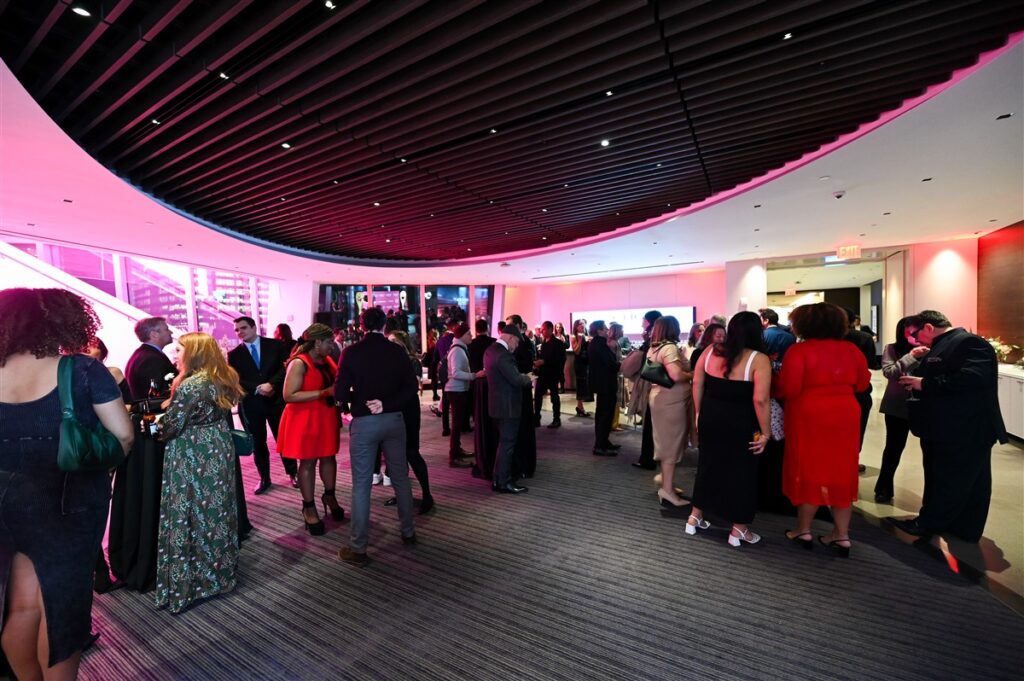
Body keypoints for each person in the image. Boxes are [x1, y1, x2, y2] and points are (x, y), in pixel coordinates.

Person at [0, 288, 133, 679]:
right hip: (68, 500)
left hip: (6, 499)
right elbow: (123, 436)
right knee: (64, 610)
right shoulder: (81, 369)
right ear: (60, 321)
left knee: (22, 605)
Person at [891, 311, 1007, 542]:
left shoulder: (969, 342)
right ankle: (960, 527)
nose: (914, 340)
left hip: (965, 427)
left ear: (928, 327)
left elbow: (972, 378)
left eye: (914, 334)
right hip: (950, 426)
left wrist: (925, 384)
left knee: (953, 479)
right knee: (963, 479)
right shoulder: (943, 345)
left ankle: (930, 523)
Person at [155, 333, 243, 613]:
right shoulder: (223, 376)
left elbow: (171, 426)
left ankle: (195, 582)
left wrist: (158, 422)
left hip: (192, 449)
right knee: (217, 508)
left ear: (194, 352)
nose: (177, 354)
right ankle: (219, 574)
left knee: (188, 509)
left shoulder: (191, 385)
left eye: (180, 349)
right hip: (218, 444)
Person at [778, 303, 870, 557]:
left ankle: (803, 530)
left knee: (809, 469)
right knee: (842, 470)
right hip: (845, 413)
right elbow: (862, 384)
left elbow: (789, 388)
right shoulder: (851, 349)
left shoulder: (799, 351)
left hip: (808, 414)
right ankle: (841, 535)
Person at [335, 308, 418, 566]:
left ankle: (359, 548)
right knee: (400, 478)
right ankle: (408, 532)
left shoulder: (351, 352)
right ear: (384, 325)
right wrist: (386, 403)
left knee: (362, 485)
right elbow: (411, 387)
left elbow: (340, 392)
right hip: (394, 419)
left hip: (364, 421)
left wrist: (358, 399)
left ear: (361, 326)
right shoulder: (397, 351)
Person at [688, 311, 771, 546]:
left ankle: (694, 517)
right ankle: (739, 529)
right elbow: (760, 400)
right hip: (741, 421)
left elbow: (697, 383)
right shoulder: (758, 359)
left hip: (710, 416)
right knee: (742, 472)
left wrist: (698, 413)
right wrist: (766, 433)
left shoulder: (711, 351)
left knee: (707, 465)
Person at [111, 317, 177, 592]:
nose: (170, 332)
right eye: (166, 329)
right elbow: (158, 401)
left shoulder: (143, 356)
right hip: (150, 435)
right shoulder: (152, 360)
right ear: (153, 333)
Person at [277, 324, 344, 536]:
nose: (332, 346)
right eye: (329, 342)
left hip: (325, 416)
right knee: (308, 462)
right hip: (304, 418)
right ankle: (308, 507)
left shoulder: (327, 360)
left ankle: (329, 495)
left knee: (329, 457)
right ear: (317, 342)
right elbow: (289, 395)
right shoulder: (299, 363)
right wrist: (323, 393)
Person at [227, 316, 296, 494]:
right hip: (252, 403)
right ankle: (264, 478)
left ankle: (293, 473)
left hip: (276, 400)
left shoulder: (275, 345)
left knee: (283, 438)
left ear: (254, 327)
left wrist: (271, 385)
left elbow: (286, 368)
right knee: (258, 443)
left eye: (243, 328)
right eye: (237, 330)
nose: (239, 332)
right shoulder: (234, 355)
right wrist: (259, 388)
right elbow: (236, 379)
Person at [874, 317, 928, 504]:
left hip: (925, 405)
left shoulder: (933, 348)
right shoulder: (892, 348)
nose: (912, 336)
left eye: (916, 331)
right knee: (893, 448)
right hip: (897, 405)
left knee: (930, 452)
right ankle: (883, 487)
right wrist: (911, 356)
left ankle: (931, 497)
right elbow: (889, 372)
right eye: (908, 332)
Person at [645, 316, 694, 506]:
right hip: (671, 401)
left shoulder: (655, 347)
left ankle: (666, 482)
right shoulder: (669, 348)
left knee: (667, 443)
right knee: (671, 445)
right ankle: (667, 490)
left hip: (662, 398)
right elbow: (675, 375)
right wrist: (691, 374)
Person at [385, 330, 434, 514]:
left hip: (408, 409)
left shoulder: (412, 361)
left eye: (394, 341)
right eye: (389, 341)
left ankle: (427, 495)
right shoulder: (389, 361)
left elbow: (412, 387)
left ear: (403, 343)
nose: (390, 344)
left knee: (411, 452)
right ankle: (401, 494)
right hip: (394, 409)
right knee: (397, 455)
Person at [484, 325, 533, 493]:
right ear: (511, 338)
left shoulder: (490, 350)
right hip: (508, 407)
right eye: (517, 342)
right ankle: (504, 482)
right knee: (507, 445)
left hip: (496, 405)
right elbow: (516, 380)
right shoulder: (504, 355)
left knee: (503, 444)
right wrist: (528, 378)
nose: (517, 346)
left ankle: (498, 479)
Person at [843, 307, 877, 472]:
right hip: (858, 391)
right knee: (857, 430)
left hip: (828, 394)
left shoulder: (818, 341)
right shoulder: (863, 338)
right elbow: (870, 363)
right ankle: (851, 461)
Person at [629, 310, 663, 470]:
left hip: (651, 384)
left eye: (644, 319)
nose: (642, 321)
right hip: (657, 386)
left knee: (650, 422)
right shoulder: (663, 342)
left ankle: (647, 458)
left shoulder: (653, 341)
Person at [446, 323, 477, 467]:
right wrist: (474, 375)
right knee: (457, 424)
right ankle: (454, 456)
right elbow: (456, 373)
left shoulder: (459, 348)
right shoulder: (457, 351)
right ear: (462, 336)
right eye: (469, 334)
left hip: (458, 390)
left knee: (458, 424)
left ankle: (457, 450)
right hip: (456, 390)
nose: (471, 336)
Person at [588, 320, 620, 456]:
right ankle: (600, 445)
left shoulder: (595, 343)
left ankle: (603, 441)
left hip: (602, 384)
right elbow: (610, 363)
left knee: (603, 413)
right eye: (605, 328)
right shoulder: (600, 344)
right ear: (599, 330)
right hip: (606, 384)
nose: (608, 330)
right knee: (605, 415)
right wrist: (623, 364)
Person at [533, 321, 566, 428]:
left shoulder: (558, 343)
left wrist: (544, 362)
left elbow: (560, 359)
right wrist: (538, 364)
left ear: (550, 329)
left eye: (543, 329)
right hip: (543, 374)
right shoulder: (544, 343)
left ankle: (556, 419)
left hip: (553, 374)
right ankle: (536, 418)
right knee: (538, 396)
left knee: (554, 397)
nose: (541, 331)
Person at [571, 319, 592, 416]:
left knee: (585, 385)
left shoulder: (587, 335)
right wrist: (580, 341)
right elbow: (577, 351)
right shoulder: (574, 337)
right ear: (576, 326)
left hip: (587, 363)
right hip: (579, 364)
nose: (582, 325)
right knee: (580, 385)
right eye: (580, 324)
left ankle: (580, 407)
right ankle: (580, 408)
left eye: (583, 323)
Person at [553, 321, 571, 393]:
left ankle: (562, 388)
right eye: (557, 327)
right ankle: (555, 388)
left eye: (559, 327)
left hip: (561, 356)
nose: (558, 328)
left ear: (562, 328)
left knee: (560, 372)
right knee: (554, 372)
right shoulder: (553, 336)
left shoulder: (565, 336)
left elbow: (567, 346)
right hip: (554, 356)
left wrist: (563, 341)